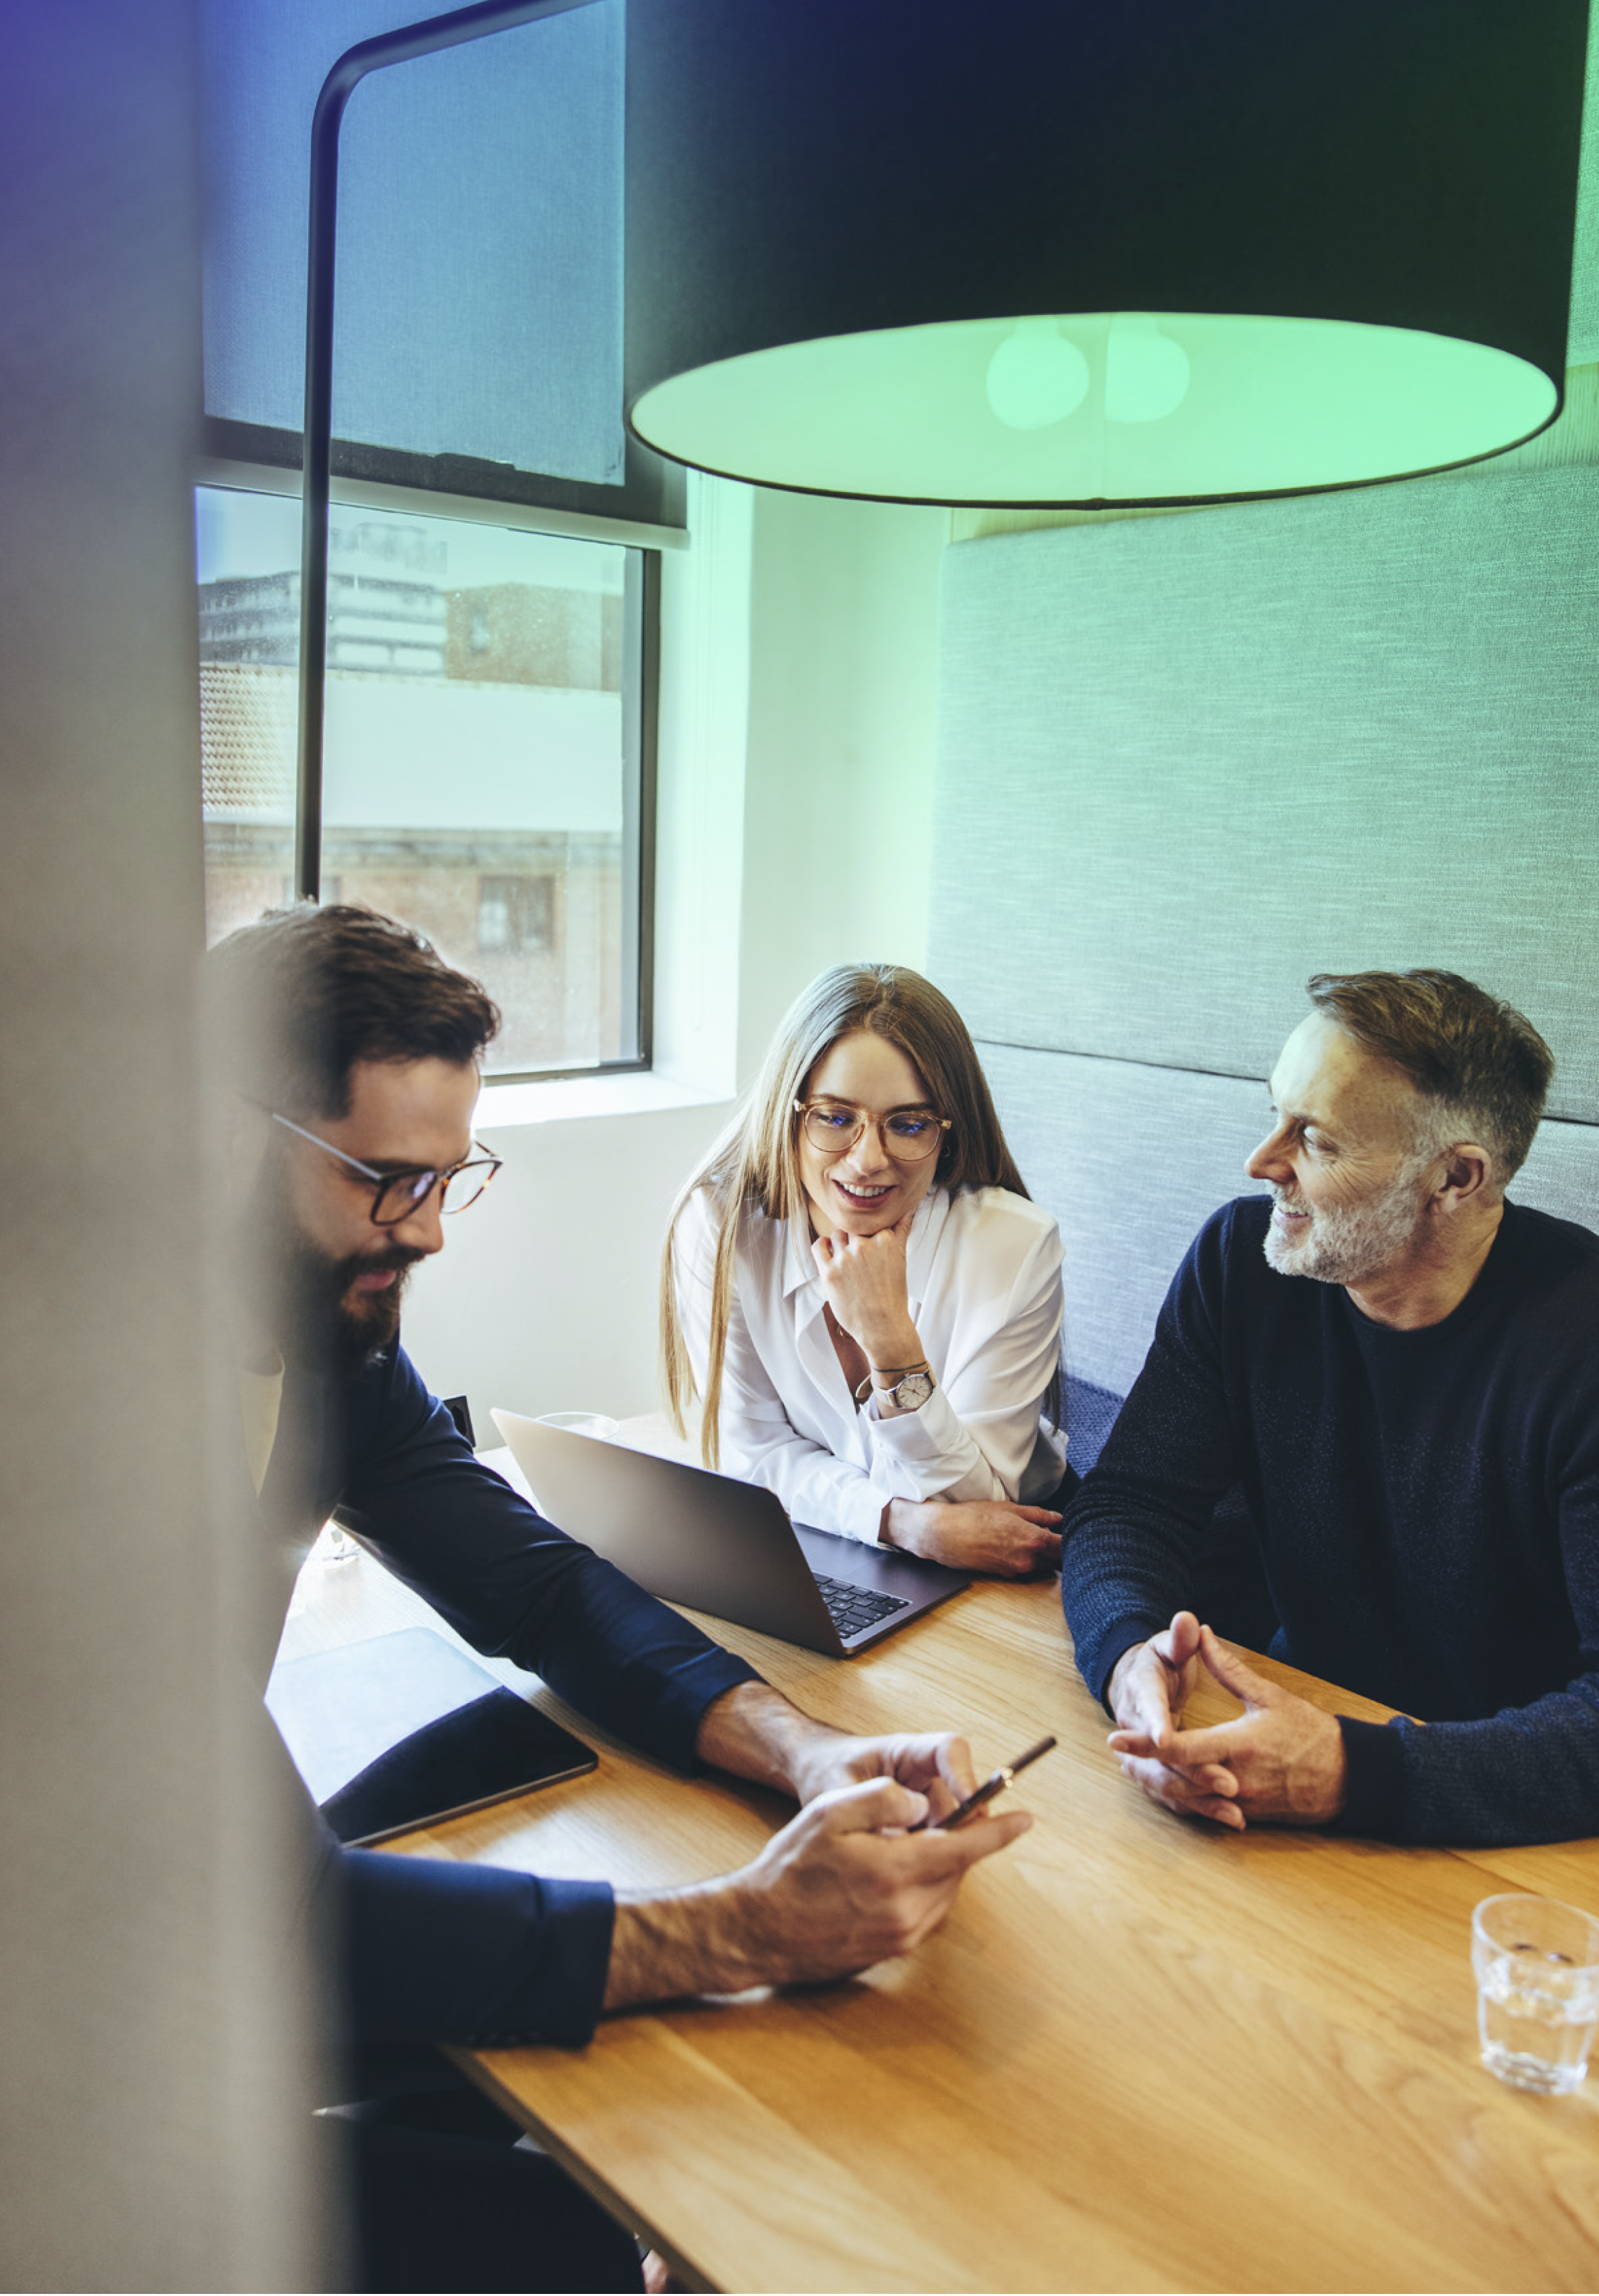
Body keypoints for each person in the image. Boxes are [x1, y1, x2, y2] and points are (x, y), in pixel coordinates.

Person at [206, 906, 1030, 2293]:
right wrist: (741, 1927)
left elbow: (539, 1589)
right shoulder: (68, 1420)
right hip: (68, 2060)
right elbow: (271, 1924)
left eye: (448, 1179)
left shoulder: (324, 1342)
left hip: (197, 1961)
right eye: (382, 1182)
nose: (428, 1235)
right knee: (639, 2242)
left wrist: (801, 1748)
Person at [1059, 967, 1599, 1850]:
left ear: (1457, 1177)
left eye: (1314, 1138)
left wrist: (1352, 1772)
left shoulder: (1580, 1342)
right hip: (1285, 1749)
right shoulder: (1241, 1261)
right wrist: (1126, 1656)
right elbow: (1130, 1504)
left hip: (1507, 1830)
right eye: (1275, 1114)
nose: (1263, 1162)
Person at [661, 963, 1068, 1577]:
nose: (869, 1160)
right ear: (787, 1113)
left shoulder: (1014, 1245)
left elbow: (980, 1521)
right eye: (834, 1117)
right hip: (822, 1545)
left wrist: (890, 1341)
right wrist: (897, 1521)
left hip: (998, 1583)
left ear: (946, 1134)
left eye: (908, 1124)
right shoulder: (720, 1228)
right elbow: (754, 1456)